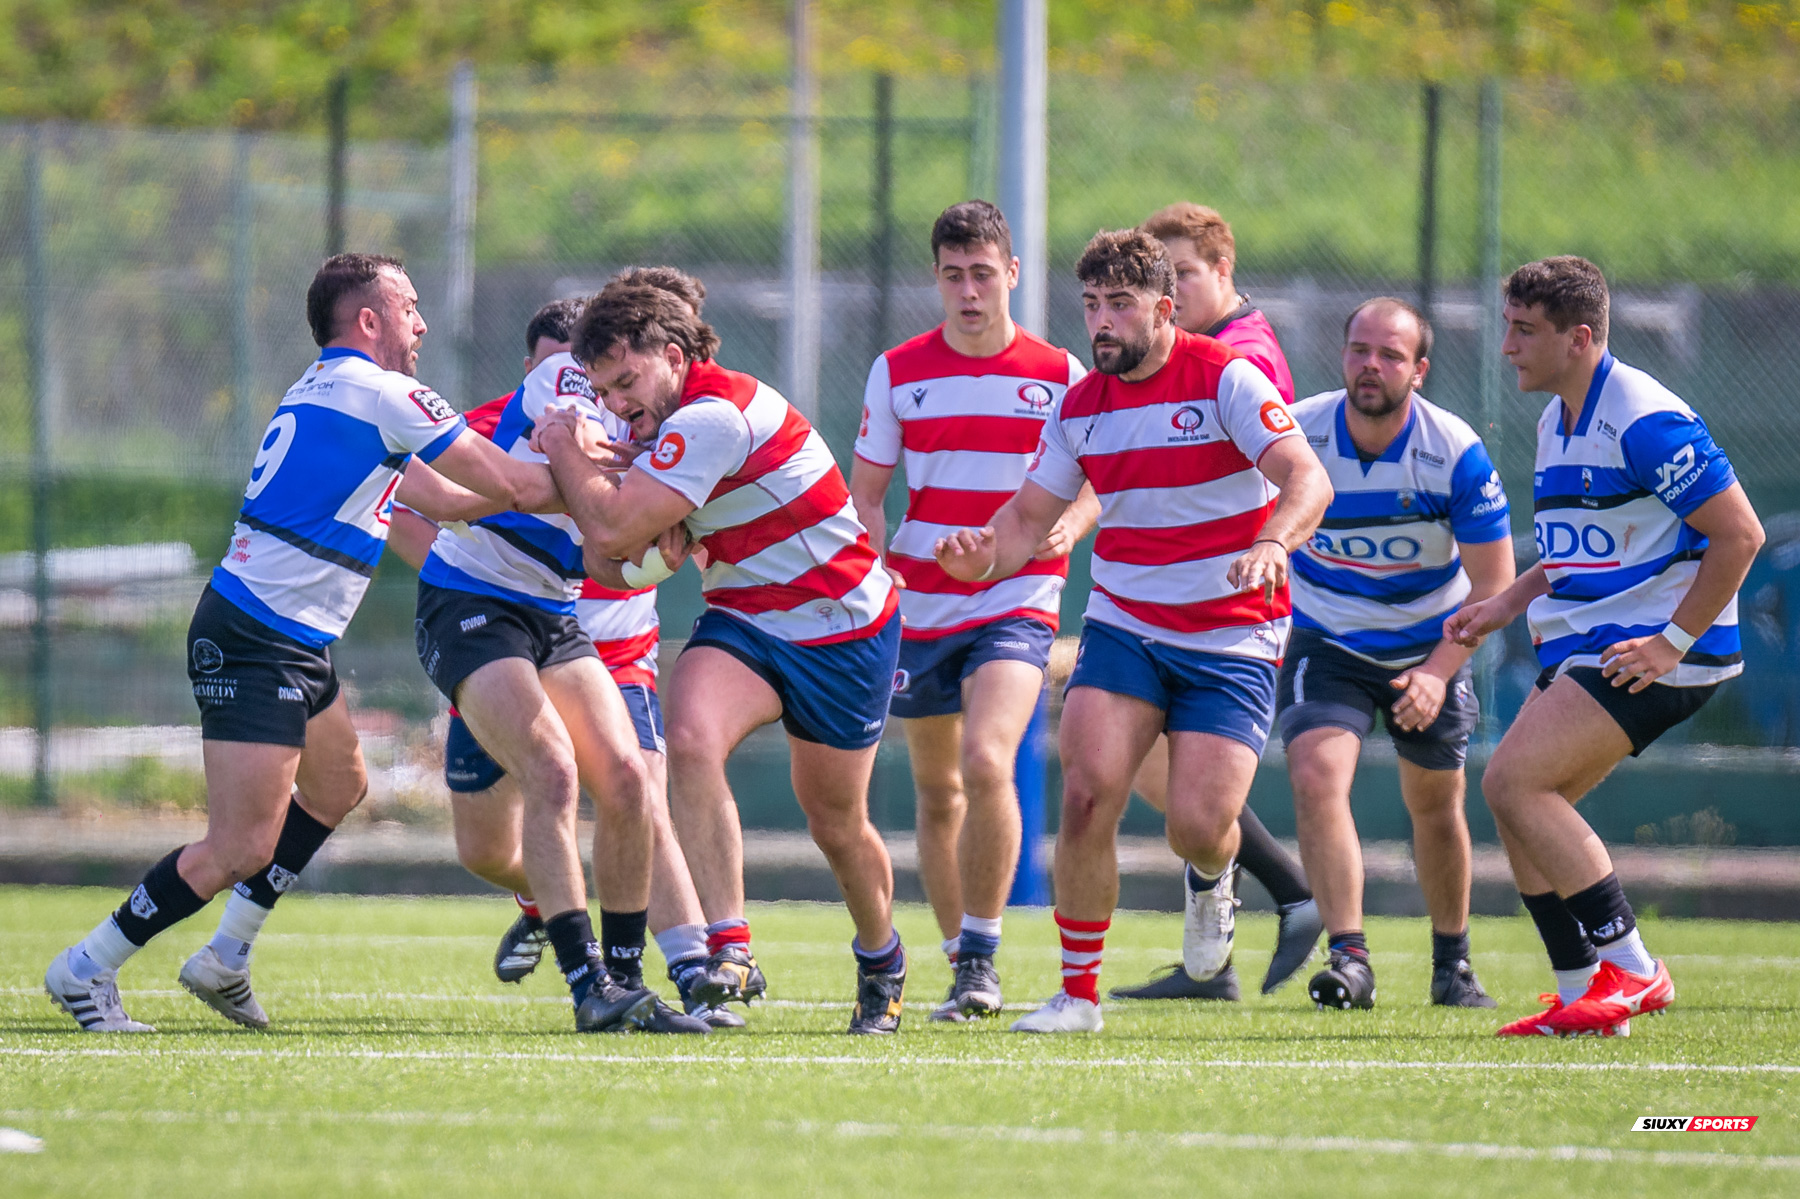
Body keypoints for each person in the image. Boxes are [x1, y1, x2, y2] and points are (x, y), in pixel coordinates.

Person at [44, 253, 574, 1032]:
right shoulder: (386, 394)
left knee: (337, 785)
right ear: (369, 319)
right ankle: (86, 966)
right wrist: (601, 476)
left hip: (287, 632)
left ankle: (226, 956)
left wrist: (564, 497)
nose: (422, 324)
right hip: (258, 635)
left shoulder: (328, 387)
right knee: (239, 847)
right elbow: (505, 485)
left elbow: (456, 500)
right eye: (411, 307)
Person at [934, 229, 1332, 1033]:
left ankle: (1211, 873)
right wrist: (981, 555)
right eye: (1090, 305)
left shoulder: (1225, 377)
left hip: (1231, 632)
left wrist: (1270, 542)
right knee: (1085, 795)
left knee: (1197, 823)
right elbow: (1025, 522)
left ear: (1164, 306)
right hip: (1125, 625)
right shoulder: (1080, 406)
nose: (1102, 322)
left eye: (1119, 304)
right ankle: (1077, 995)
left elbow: (1306, 476)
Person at [533, 281, 908, 1034]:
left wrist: (562, 446)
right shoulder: (669, 422)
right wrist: (628, 531)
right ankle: (729, 947)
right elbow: (613, 557)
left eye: (626, 382)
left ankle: (882, 957)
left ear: (673, 358)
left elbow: (607, 529)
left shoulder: (714, 417)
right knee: (693, 737)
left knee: (836, 823)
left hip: (843, 629)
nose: (614, 403)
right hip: (746, 616)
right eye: (602, 390)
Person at [388, 281, 738, 1028]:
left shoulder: (662, 437)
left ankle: (625, 980)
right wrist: (619, 501)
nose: (630, 390)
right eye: (621, 374)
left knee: (629, 782)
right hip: (470, 596)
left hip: (550, 609)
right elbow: (538, 488)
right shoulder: (568, 383)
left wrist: (650, 556)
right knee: (549, 772)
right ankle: (587, 987)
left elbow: (604, 559)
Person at [1445, 256, 1765, 1037]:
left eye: (1525, 330)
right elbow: (1582, 549)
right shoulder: (1560, 414)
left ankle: (1635, 967)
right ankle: (1582, 986)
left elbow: (1741, 534)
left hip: (1654, 646)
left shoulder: (1644, 419)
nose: (1508, 347)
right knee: (1516, 798)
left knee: (1518, 783)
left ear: (1580, 337)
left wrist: (1671, 641)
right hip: (1602, 639)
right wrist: (1509, 600)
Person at [849, 201, 1093, 1022]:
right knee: (938, 788)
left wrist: (1067, 522)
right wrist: (871, 582)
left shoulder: (1061, 373)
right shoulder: (898, 370)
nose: (968, 291)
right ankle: (960, 959)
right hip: (920, 600)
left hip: (1019, 594)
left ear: (1012, 275)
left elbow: (1095, 474)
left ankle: (983, 956)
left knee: (991, 760)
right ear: (937, 278)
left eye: (983, 274)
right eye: (953, 275)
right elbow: (870, 498)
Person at [1275, 297, 1515, 1012]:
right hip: (1328, 636)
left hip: (1430, 639)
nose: (1369, 366)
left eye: (1388, 354)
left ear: (1420, 368)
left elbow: (1496, 581)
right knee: (1317, 775)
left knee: (1436, 804)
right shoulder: (1297, 432)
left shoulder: (1454, 451)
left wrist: (1439, 673)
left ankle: (1453, 962)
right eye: (1358, 350)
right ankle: (1349, 957)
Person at [1110, 202, 1322, 1002]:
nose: (1171, 291)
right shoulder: (1178, 355)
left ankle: (1287, 894)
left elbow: (1271, 477)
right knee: (1138, 764)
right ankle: (1243, 929)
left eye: (1185, 275)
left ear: (1222, 273)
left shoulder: (1237, 358)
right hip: (1177, 594)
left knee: (1177, 782)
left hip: (1230, 599)